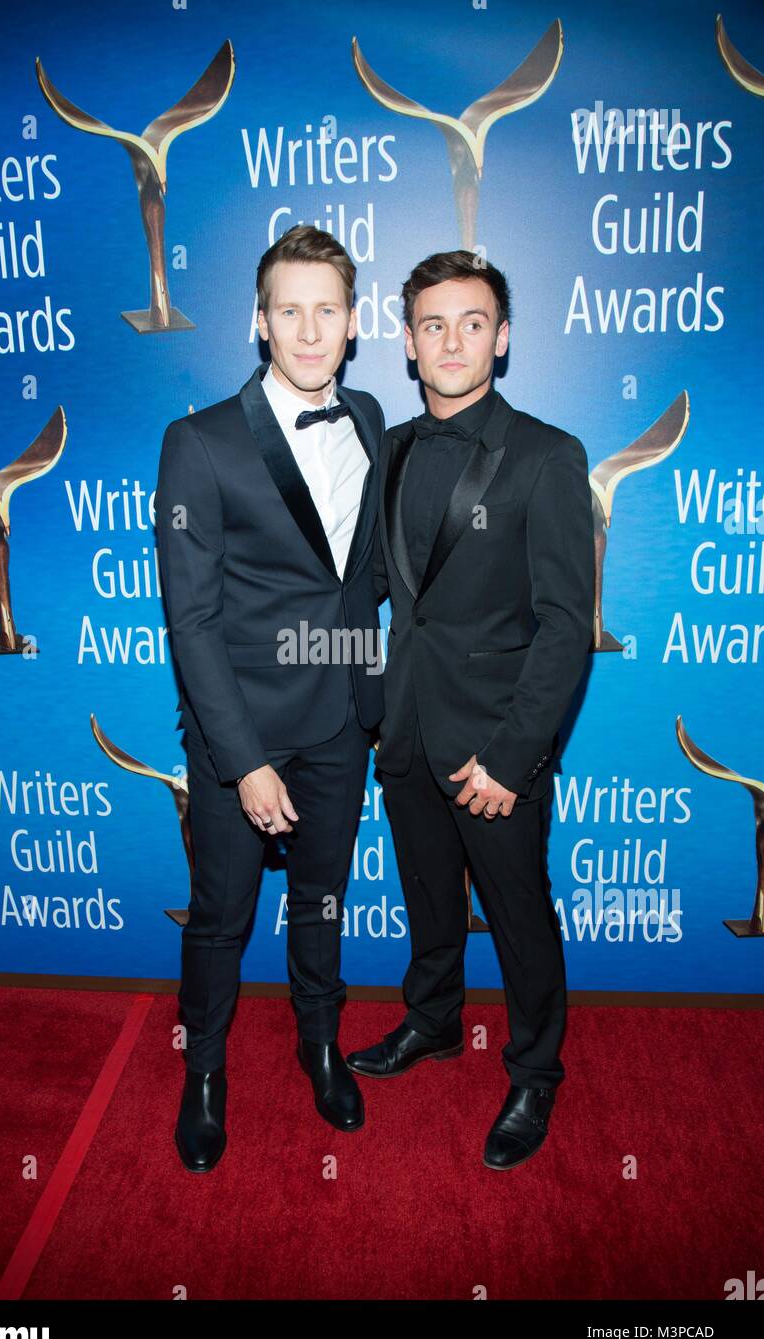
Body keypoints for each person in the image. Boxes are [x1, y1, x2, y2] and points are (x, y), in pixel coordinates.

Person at [347, 251, 594, 1170]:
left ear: (503, 336)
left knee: (522, 918)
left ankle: (535, 1073)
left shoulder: (548, 455)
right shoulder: (396, 450)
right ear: (408, 343)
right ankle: (435, 1023)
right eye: (434, 325)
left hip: (496, 746)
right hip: (405, 729)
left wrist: (514, 756)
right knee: (427, 903)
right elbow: (376, 590)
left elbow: (568, 627)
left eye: (474, 322)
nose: (454, 341)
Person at [155, 225, 385, 1172]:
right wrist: (245, 758)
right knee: (221, 915)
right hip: (238, 733)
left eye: (326, 309)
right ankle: (202, 1072)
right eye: (288, 310)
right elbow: (192, 621)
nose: (307, 329)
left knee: (323, 901)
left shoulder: (370, 418)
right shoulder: (198, 443)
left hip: (339, 720)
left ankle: (318, 1042)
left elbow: (360, 579)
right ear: (259, 322)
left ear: (354, 322)